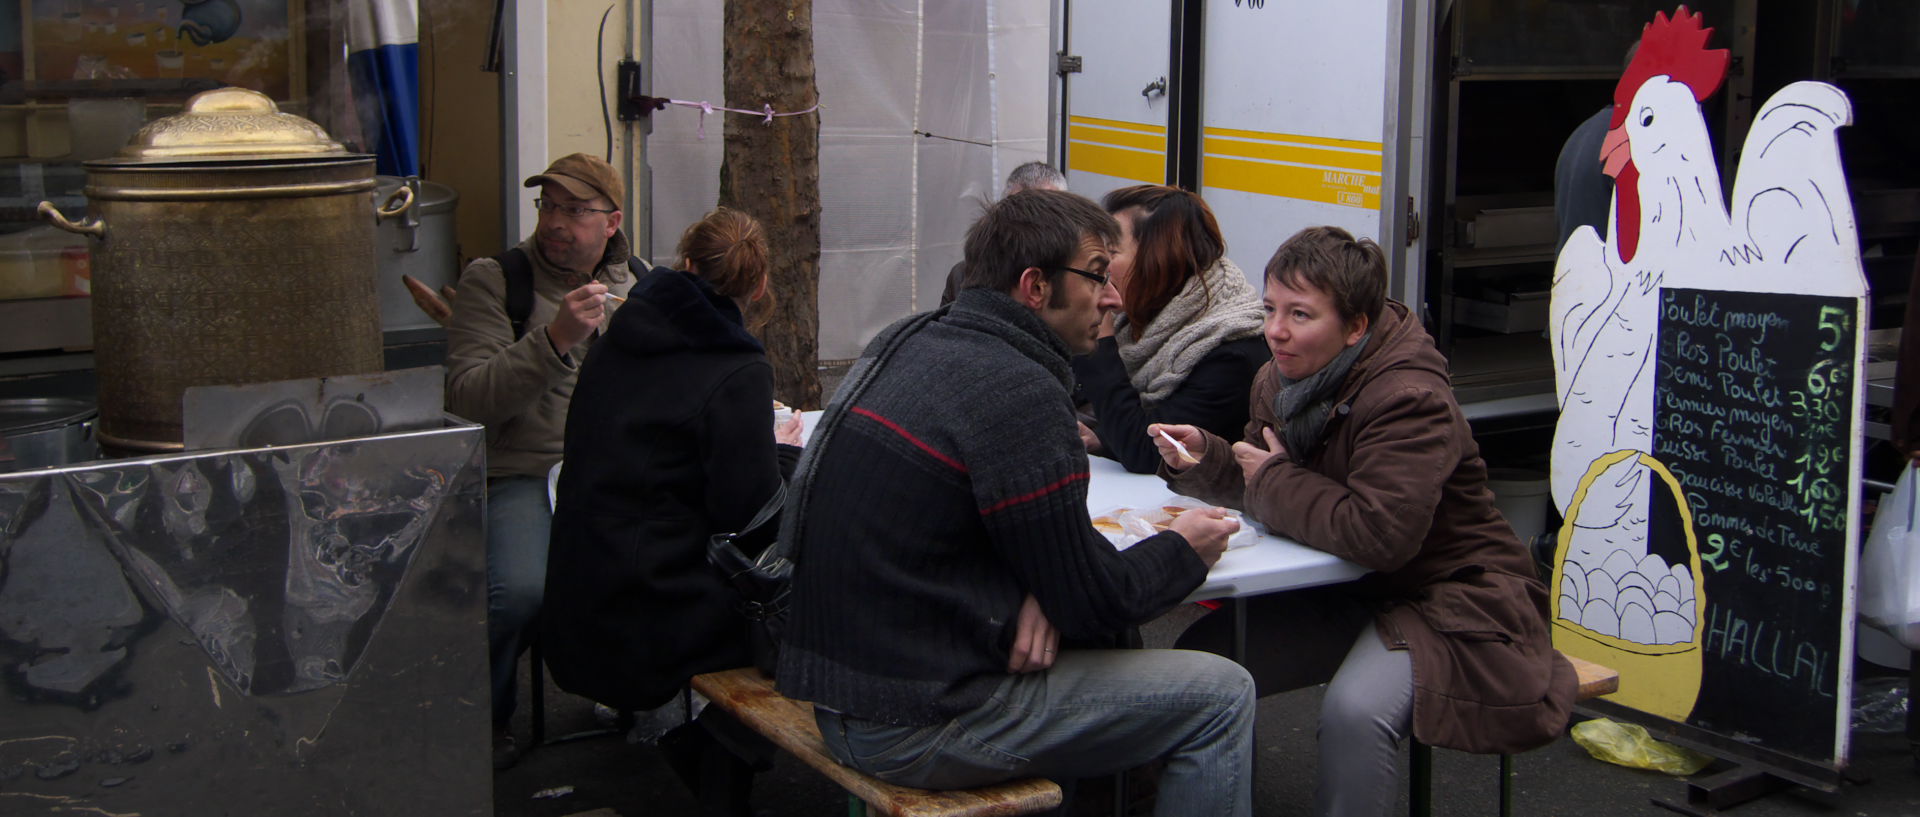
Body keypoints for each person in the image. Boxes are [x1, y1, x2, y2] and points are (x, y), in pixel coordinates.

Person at [778, 189, 1257, 816]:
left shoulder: (910, 339)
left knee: (1101, 643)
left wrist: (1047, 590)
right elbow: (1093, 598)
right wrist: (1184, 549)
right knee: (1222, 693)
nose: (1113, 298)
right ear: (1035, 287)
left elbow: (1016, 549)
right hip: (913, 721)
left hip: (839, 688)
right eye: (1096, 277)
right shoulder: (1019, 388)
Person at [1151, 226, 1576, 817]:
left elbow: (1380, 534)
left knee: (1356, 713)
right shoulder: (1279, 378)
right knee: (1204, 665)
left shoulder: (1407, 396)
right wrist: (1209, 459)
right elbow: (1267, 476)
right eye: (1270, 308)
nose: (1275, 330)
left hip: (1448, 598)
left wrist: (1268, 477)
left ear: (1356, 327)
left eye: (1301, 314)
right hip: (1348, 584)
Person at [542, 207, 801, 815]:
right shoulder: (735, 367)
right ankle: (727, 750)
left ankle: (715, 747)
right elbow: (748, 515)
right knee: (817, 601)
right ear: (759, 287)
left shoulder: (618, 338)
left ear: (684, 263)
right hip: (660, 604)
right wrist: (782, 453)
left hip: (582, 584)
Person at [443, 152, 638, 768]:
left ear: (611, 223)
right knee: (520, 592)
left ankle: (640, 696)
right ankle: (486, 718)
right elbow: (468, 399)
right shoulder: (496, 280)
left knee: (688, 562)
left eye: (576, 211)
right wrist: (554, 340)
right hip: (524, 470)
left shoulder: (645, 285)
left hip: (614, 476)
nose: (556, 222)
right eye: (549, 206)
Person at [1073, 185, 1268, 472]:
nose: (1099, 269)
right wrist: (1103, 438)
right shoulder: (1142, 315)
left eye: (1111, 253)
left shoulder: (1230, 348)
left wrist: (1099, 341)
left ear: (1159, 261)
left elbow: (1151, 453)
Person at [938, 160, 1068, 305]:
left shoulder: (1073, 279)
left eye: (1045, 211)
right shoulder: (964, 274)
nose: (1033, 223)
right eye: (1020, 209)